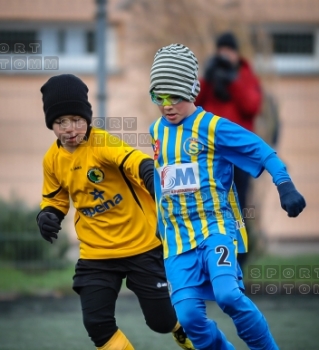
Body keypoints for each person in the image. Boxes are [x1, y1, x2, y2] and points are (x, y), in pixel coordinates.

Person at [148, 43, 306, 350]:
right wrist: (159, 220)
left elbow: (261, 150)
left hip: (215, 228)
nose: (167, 105)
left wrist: (284, 184)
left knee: (228, 295)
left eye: (175, 97)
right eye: (158, 96)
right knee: (188, 316)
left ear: (192, 91)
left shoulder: (213, 126)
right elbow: (161, 175)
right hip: (178, 241)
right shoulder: (157, 131)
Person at [36, 74, 195, 350]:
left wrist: (149, 175)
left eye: (76, 120)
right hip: (96, 254)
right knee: (97, 324)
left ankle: (186, 334)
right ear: (52, 124)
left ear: (88, 118)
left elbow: (135, 161)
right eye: (61, 122)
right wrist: (48, 215)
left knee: (160, 322)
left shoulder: (101, 143)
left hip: (141, 246)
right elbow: (55, 197)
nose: (70, 129)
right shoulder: (52, 159)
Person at [195, 32, 262, 267]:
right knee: (207, 203)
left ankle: (237, 260)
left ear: (236, 53)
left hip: (238, 156)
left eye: (228, 50)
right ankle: (209, 256)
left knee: (237, 205)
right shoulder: (212, 77)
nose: (224, 55)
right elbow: (193, 105)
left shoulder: (245, 76)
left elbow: (252, 107)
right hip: (210, 154)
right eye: (221, 50)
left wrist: (232, 79)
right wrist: (207, 77)